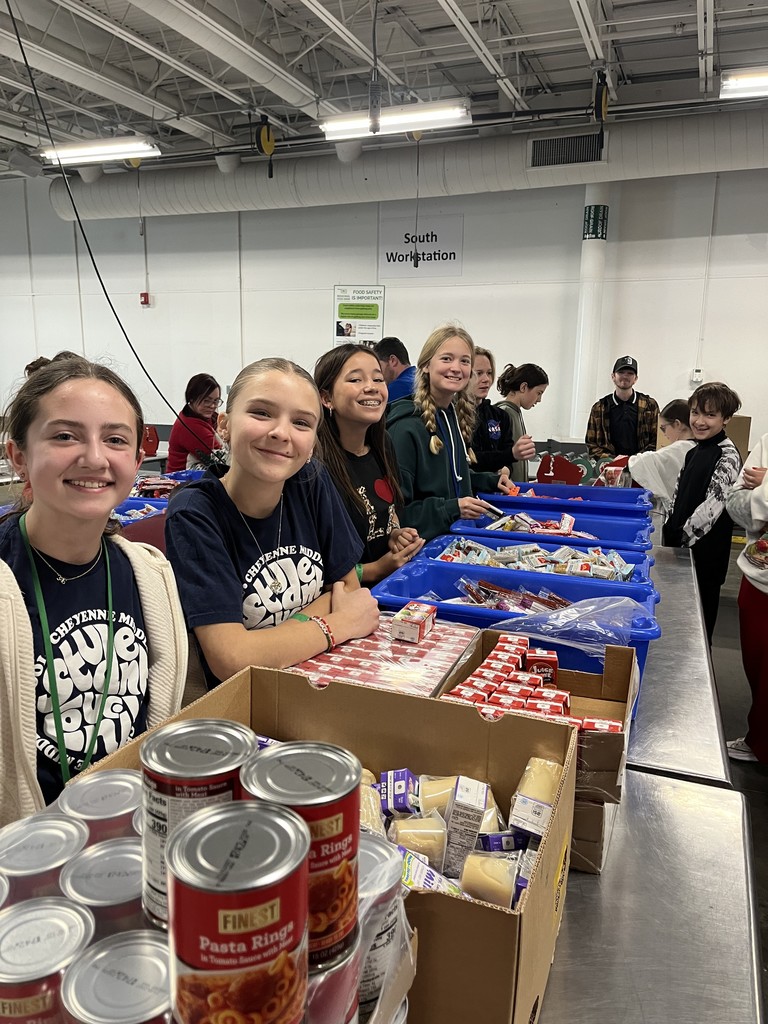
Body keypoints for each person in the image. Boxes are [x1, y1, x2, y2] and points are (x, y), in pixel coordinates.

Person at [0, 357, 187, 824]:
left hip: (133, 824)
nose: (95, 458)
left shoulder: (150, 574)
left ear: (138, 461)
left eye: (115, 439)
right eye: (65, 436)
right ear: (18, 455)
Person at [165, 357, 379, 689]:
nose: (281, 433)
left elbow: (348, 589)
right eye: (261, 413)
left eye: (302, 423)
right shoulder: (195, 512)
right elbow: (231, 659)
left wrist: (272, 642)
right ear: (224, 424)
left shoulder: (310, 481)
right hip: (246, 699)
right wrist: (338, 624)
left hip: (318, 678)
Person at [387, 326, 513, 542]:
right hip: (421, 552)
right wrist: (452, 508)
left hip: (453, 540)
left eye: (464, 361)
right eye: (447, 359)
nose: (456, 368)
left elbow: (449, 479)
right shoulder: (405, 427)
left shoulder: (451, 416)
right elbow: (398, 514)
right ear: (426, 365)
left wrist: (489, 481)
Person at [314, 344, 424, 583]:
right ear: (326, 397)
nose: (371, 387)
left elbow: (389, 514)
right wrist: (376, 568)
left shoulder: (382, 444)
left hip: (388, 591)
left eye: (378, 378)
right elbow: (315, 568)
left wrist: (394, 534)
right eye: (355, 379)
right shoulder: (315, 465)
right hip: (346, 603)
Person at [662, 382, 742, 644]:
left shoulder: (727, 455)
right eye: (695, 413)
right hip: (682, 553)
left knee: (697, 628)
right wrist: (669, 529)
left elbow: (711, 509)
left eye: (710, 415)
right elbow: (677, 494)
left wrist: (679, 541)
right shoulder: (694, 451)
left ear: (726, 418)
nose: (699, 421)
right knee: (676, 623)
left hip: (704, 557)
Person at [724, 434, 768, 762]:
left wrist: (766, 490)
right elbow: (737, 503)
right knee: (756, 662)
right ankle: (759, 739)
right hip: (759, 575)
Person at [471, 348, 537, 479]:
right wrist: (510, 454)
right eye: (478, 373)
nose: (486, 379)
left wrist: (506, 470)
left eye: (489, 373)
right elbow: (471, 459)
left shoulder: (500, 416)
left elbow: (508, 459)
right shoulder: (452, 415)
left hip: (496, 491)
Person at [626, 399, 696, 512]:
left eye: (663, 428)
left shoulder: (679, 448)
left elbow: (643, 462)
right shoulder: (698, 447)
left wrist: (624, 461)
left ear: (677, 424)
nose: (664, 434)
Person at [585, 356, 659, 460]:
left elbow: (657, 441)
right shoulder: (599, 408)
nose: (625, 376)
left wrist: (634, 461)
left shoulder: (650, 406)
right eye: (621, 372)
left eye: (630, 373)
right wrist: (615, 461)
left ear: (635, 379)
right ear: (613, 376)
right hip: (608, 468)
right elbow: (591, 444)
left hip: (642, 468)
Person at [495, 362, 549, 483]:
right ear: (523, 387)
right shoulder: (503, 413)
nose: (539, 399)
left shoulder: (515, 412)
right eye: (539, 393)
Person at [166, 373, 224, 472]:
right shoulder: (190, 426)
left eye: (216, 401)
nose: (212, 406)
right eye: (207, 401)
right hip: (183, 482)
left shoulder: (207, 417)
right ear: (191, 399)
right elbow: (221, 458)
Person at [373, 337, 416, 404]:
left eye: (379, 366)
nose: (378, 373)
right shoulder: (419, 379)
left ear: (393, 360)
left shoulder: (397, 387)